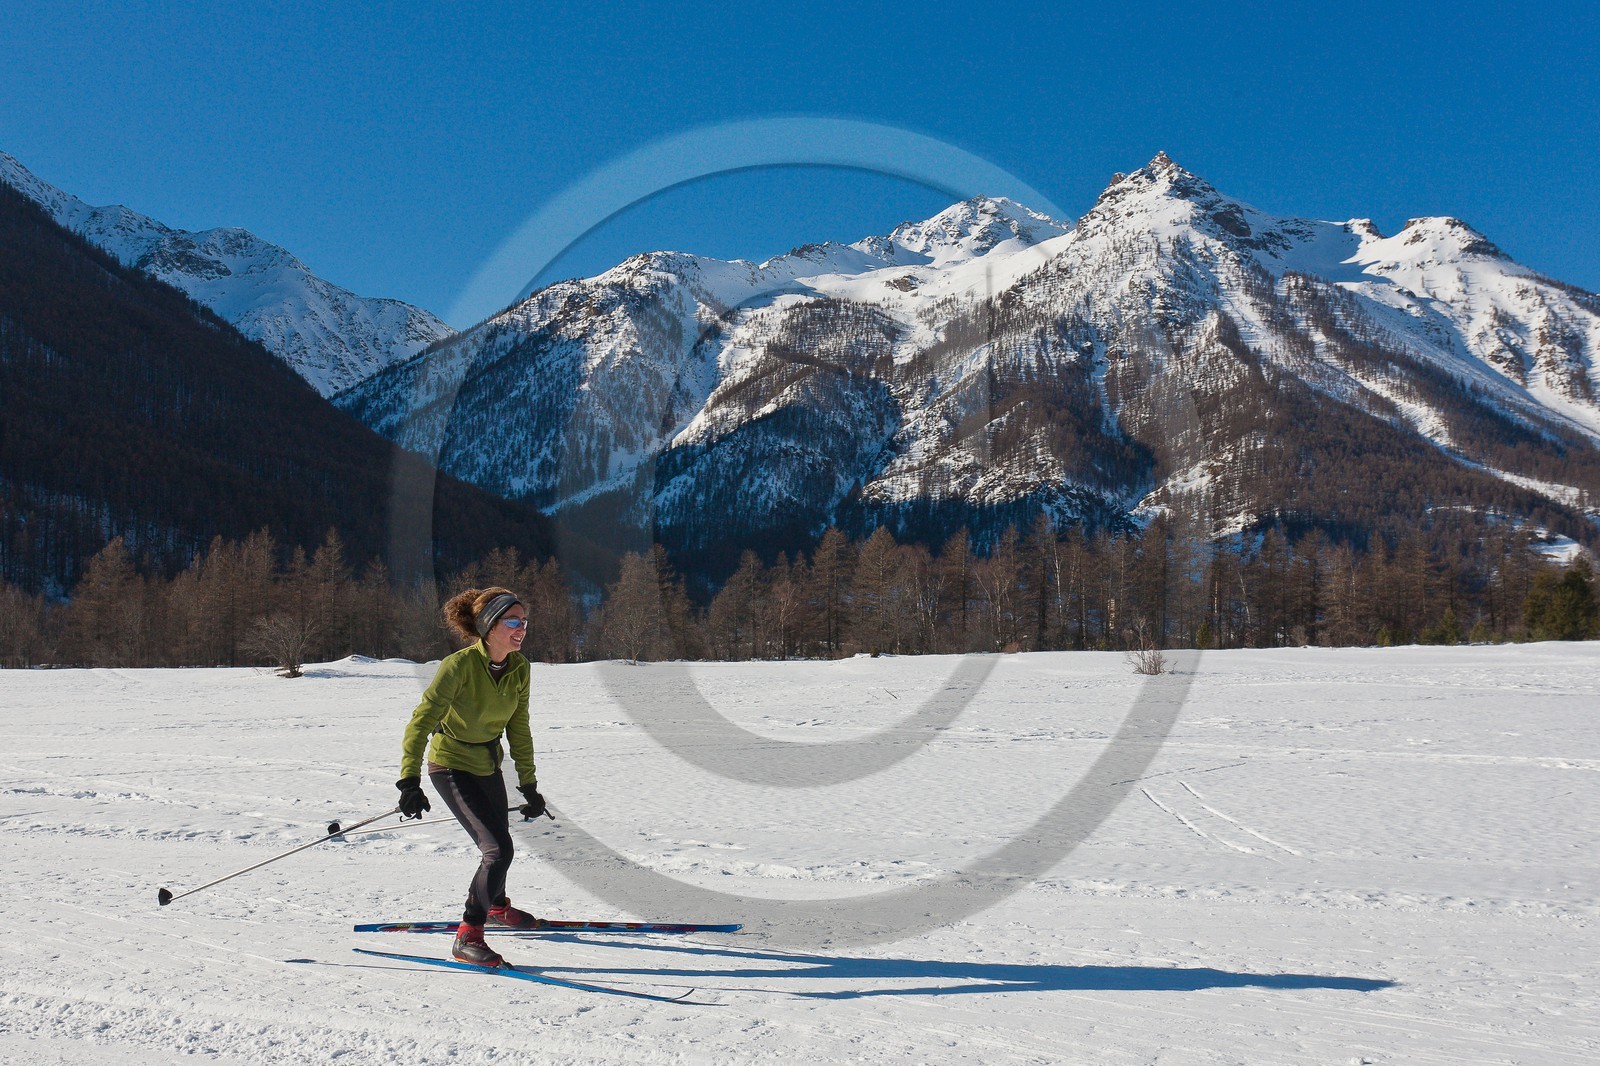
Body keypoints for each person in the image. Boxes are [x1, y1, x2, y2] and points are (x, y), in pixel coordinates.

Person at [396, 586, 547, 966]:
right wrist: (409, 781)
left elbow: (520, 727)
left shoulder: (520, 668)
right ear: (489, 626)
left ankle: (496, 906)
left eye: (524, 621)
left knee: (501, 843)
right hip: (450, 765)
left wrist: (528, 784)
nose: (521, 628)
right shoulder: (459, 666)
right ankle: (468, 934)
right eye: (513, 621)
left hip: (487, 764)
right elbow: (420, 722)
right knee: (498, 850)